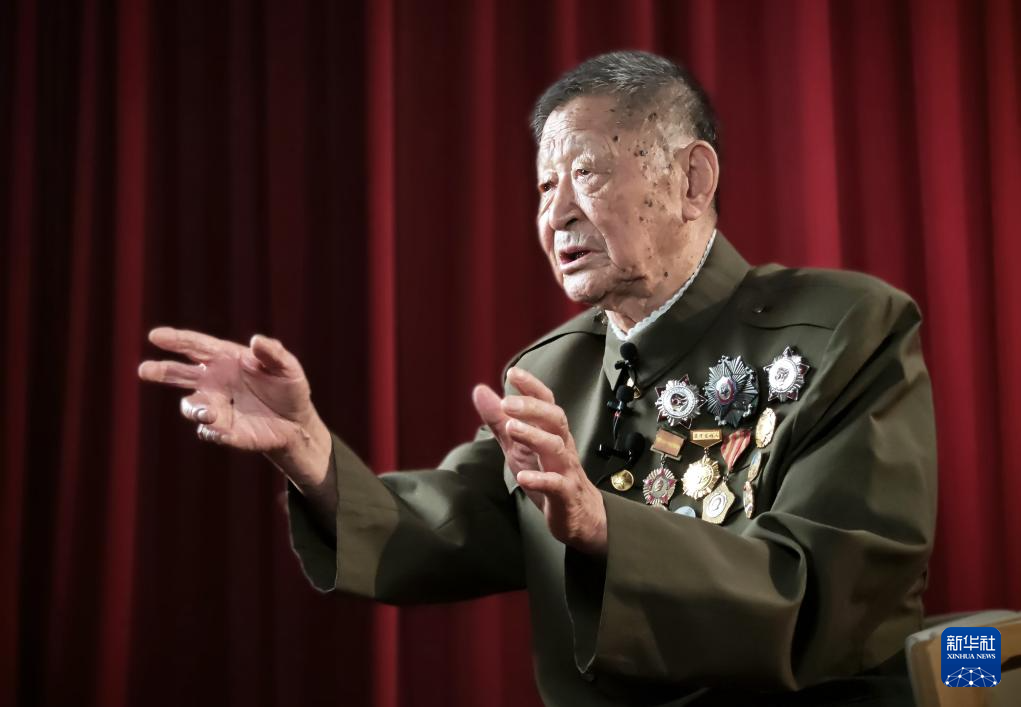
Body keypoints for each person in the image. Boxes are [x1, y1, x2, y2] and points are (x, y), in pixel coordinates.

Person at [139, 51, 936, 706]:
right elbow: (447, 526)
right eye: (543, 189)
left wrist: (602, 526)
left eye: (586, 174)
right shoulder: (552, 369)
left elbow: (828, 597)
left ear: (692, 180)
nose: (554, 216)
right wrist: (309, 447)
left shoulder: (844, 328)